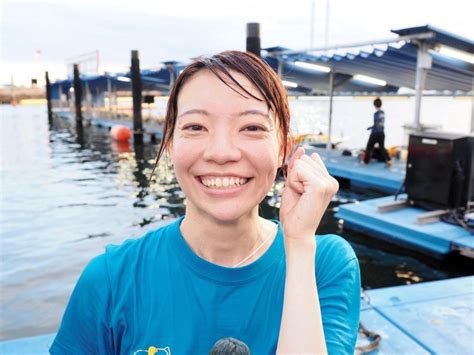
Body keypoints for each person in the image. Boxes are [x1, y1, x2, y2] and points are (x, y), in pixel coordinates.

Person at [50, 51, 360, 354]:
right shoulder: (112, 279)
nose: (221, 152)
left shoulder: (324, 264)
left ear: (284, 150)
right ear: (170, 145)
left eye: (252, 127)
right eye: (195, 127)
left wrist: (299, 243)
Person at [363, 97, 392, 166]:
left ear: (374, 105)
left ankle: (366, 161)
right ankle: (389, 160)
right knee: (382, 147)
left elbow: (376, 124)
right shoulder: (383, 113)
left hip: (375, 133)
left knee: (369, 147)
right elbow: (380, 123)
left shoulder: (376, 113)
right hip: (382, 133)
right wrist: (371, 127)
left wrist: (371, 128)